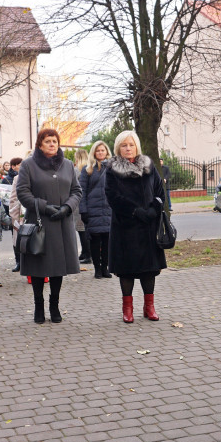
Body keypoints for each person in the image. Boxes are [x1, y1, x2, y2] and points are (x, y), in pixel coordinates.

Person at [16, 128, 82, 324]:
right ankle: (39, 305)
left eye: (55, 141)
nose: (52, 144)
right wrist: (44, 207)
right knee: (38, 265)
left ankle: (54, 305)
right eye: (48, 141)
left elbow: (77, 191)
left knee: (57, 267)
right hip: (39, 222)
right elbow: (23, 192)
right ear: (39, 144)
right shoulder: (28, 165)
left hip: (62, 222)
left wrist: (67, 207)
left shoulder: (68, 165)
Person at [105, 131, 166, 323]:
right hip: (125, 227)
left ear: (137, 146)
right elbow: (113, 196)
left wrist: (153, 209)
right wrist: (135, 211)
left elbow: (159, 191)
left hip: (148, 226)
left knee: (149, 269)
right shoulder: (112, 169)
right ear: (118, 148)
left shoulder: (148, 165)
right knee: (127, 270)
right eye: (124, 145)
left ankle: (149, 307)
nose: (128, 148)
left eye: (131, 144)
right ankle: (127, 309)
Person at [79, 141, 113, 279]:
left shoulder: (112, 167)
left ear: (106, 152)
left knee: (107, 242)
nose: (100, 152)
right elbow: (82, 191)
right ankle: (97, 269)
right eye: (98, 150)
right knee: (95, 241)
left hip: (108, 210)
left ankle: (105, 268)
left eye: (102, 150)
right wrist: (83, 210)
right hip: (92, 211)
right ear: (94, 152)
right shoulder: (87, 169)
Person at [73, 149, 92, 264]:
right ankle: (85, 252)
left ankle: (87, 254)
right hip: (87, 202)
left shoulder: (77, 170)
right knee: (84, 229)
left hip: (78, 203)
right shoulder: (89, 169)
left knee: (82, 230)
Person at [8, 158, 24, 273]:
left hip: (34, 213)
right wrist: (15, 215)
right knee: (18, 239)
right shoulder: (17, 178)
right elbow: (13, 198)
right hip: (20, 214)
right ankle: (18, 261)